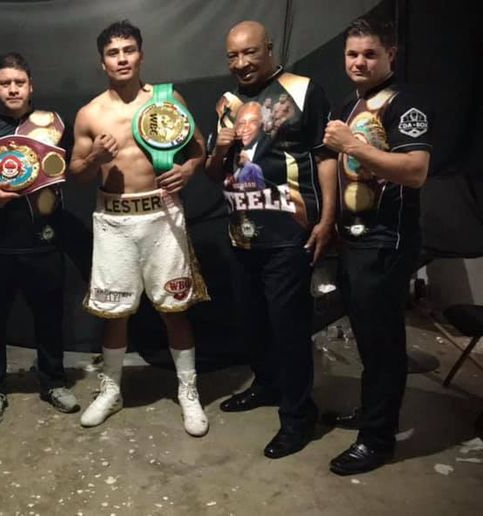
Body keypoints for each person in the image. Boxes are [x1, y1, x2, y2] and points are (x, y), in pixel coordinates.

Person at [69, 20, 210, 437]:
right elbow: (75, 173)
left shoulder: (166, 100)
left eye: (129, 50)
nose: (122, 58)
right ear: (102, 62)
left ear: (141, 54)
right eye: (113, 53)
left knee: (176, 307)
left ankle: (188, 391)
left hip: (163, 215)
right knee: (114, 311)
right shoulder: (90, 113)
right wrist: (94, 156)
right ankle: (111, 390)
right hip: (114, 219)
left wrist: (187, 169)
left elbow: (198, 147)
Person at [206, 20, 337, 458]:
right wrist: (220, 148)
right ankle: (265, 385)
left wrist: (328, 218)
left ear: (269, 49)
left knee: (289, 329)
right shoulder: (225, 102)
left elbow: (325, 157)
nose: (241, 63)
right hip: (240, 232)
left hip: (289, 235)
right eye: (232, 56)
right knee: (253, 323)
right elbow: (211, 172)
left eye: (249, 53)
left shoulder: (303, 90)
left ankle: (299, 418)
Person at [322, 16, 431, 475]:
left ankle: (377, 440)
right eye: (352, 54)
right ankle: (372, 415)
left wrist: (354, 146)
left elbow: (416, 171)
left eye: (369, 54)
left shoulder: (406, 104)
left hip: (387, 241)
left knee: (384, 344)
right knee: (368, 338)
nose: (359, 62)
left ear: (391, 55)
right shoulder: (352, 102)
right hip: (354, 239)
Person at [0, 52, 79, 425]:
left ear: (30, 86)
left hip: (44, 240)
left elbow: (76, 164)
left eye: (19, 83)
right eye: (5, 83)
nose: (13, 89)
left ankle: (54, 380)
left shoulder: (53, 126)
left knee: (50, 318)